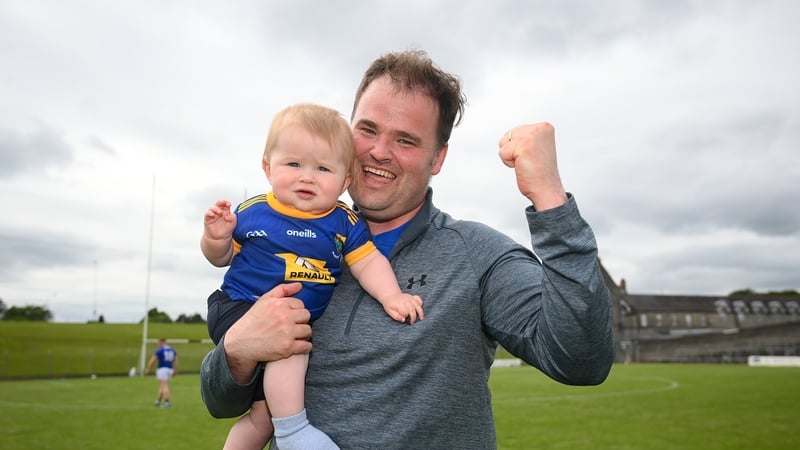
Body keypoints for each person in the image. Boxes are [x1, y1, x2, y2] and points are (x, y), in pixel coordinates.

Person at [200, 49, 615, 449]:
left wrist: (549, 197)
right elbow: (220, 401)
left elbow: (580, 359)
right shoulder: (286, 234)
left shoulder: (476, 253)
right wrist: (237, 349)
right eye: (367, 130)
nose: (380, 152)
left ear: (438, 158)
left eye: (406, 140)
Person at [201, 103, 424, 450]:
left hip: (285, 320)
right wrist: (216, 237)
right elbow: (222, 258)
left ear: (345, 180)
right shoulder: (254, 212)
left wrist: (392, 296)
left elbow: (368, 264)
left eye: (323, 168)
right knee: (293, 341)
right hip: (239, 308)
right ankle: (294, 432)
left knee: (261, 417)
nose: (307, 176)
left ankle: (273, 430)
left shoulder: (343, 223)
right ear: (267, 168)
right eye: (293, 164)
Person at [144, 338, 178, 408]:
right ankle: (158, 401)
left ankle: (167, 402)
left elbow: (152, 360)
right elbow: (176, 360)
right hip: (170, 370)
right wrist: (175, 370)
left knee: (164, 386)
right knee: (162, 386)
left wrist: (148, 369)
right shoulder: (172, 350)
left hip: (162, 369)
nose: (158, 344)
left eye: (158, 343)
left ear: (162, 342)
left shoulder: (160, 350)